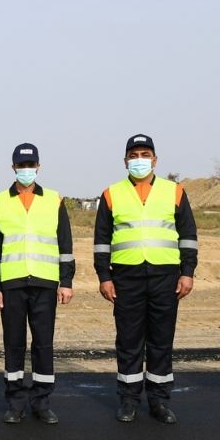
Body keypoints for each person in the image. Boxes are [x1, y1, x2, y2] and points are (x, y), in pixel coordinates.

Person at [94, 134, 197, 424]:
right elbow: (101, 240)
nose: (139, 160)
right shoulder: (111, 194)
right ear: (125, 160)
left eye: (145, 154)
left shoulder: (174, 191)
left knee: (161, 340)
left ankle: (159, 401)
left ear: (155, 160)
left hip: (166, 276)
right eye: (134, 155)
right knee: (129, 340)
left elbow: (188, 235)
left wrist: (187, 272)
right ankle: (129, 400)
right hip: (126, 277)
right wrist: (104, 276)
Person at [0, 143, 74, 425]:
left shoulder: (54, 200)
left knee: (43, 345)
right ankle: (15, 403)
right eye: (21, 165)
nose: (26, 169)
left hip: (45, 283)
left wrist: (66, 281)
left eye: (30, 165)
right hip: (11, 284)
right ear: (13, 167)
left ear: (38, 167)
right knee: (13, 344)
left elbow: (65, 245)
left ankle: (42, 402)